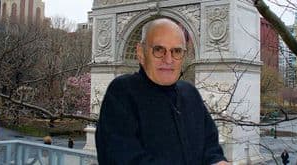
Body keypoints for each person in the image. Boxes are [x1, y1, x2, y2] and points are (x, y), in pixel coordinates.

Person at [95, 18, 228, 165]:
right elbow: (123, 158)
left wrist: (217, 161)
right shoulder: (122, 93)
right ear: (140, 52)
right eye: (159, 50)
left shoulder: (190, 93)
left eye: (176, 51)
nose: (169, 59)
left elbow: (210, 148)